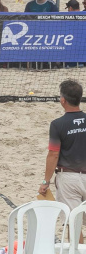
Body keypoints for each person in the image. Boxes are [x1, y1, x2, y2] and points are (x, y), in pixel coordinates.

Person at [39, 81, 86, 211]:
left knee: (72, 222)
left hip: (69, 178)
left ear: (63, 100)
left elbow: (53, 155)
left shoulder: (57, 124)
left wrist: (46, 182)